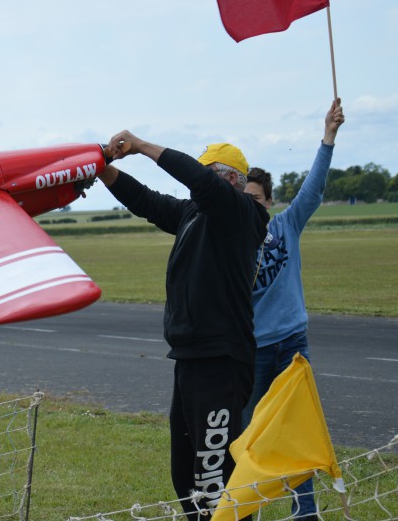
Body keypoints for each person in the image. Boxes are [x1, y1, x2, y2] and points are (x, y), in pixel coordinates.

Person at [98, 133, 269, 519]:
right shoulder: (197, 213)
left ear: (228, 180)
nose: (197, 184)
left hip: (221, 359)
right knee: (186, 474)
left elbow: (199, 181)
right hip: (192, 358)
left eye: (206, 173)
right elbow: (148, 202)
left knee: (212, 477)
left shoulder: (241, 213)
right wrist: (104, 171)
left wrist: (141, 146)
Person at [241, 98, 345, 521]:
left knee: (297, 427)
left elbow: (314, 190)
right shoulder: (230, 242)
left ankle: (305, 511)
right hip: (254, 350)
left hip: (292, 343)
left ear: (268, 202)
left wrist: (328, 138)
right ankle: (246, 506)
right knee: (251, 430)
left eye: (257, 199)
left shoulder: (286, 225)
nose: (251, 205)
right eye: (243, 198)